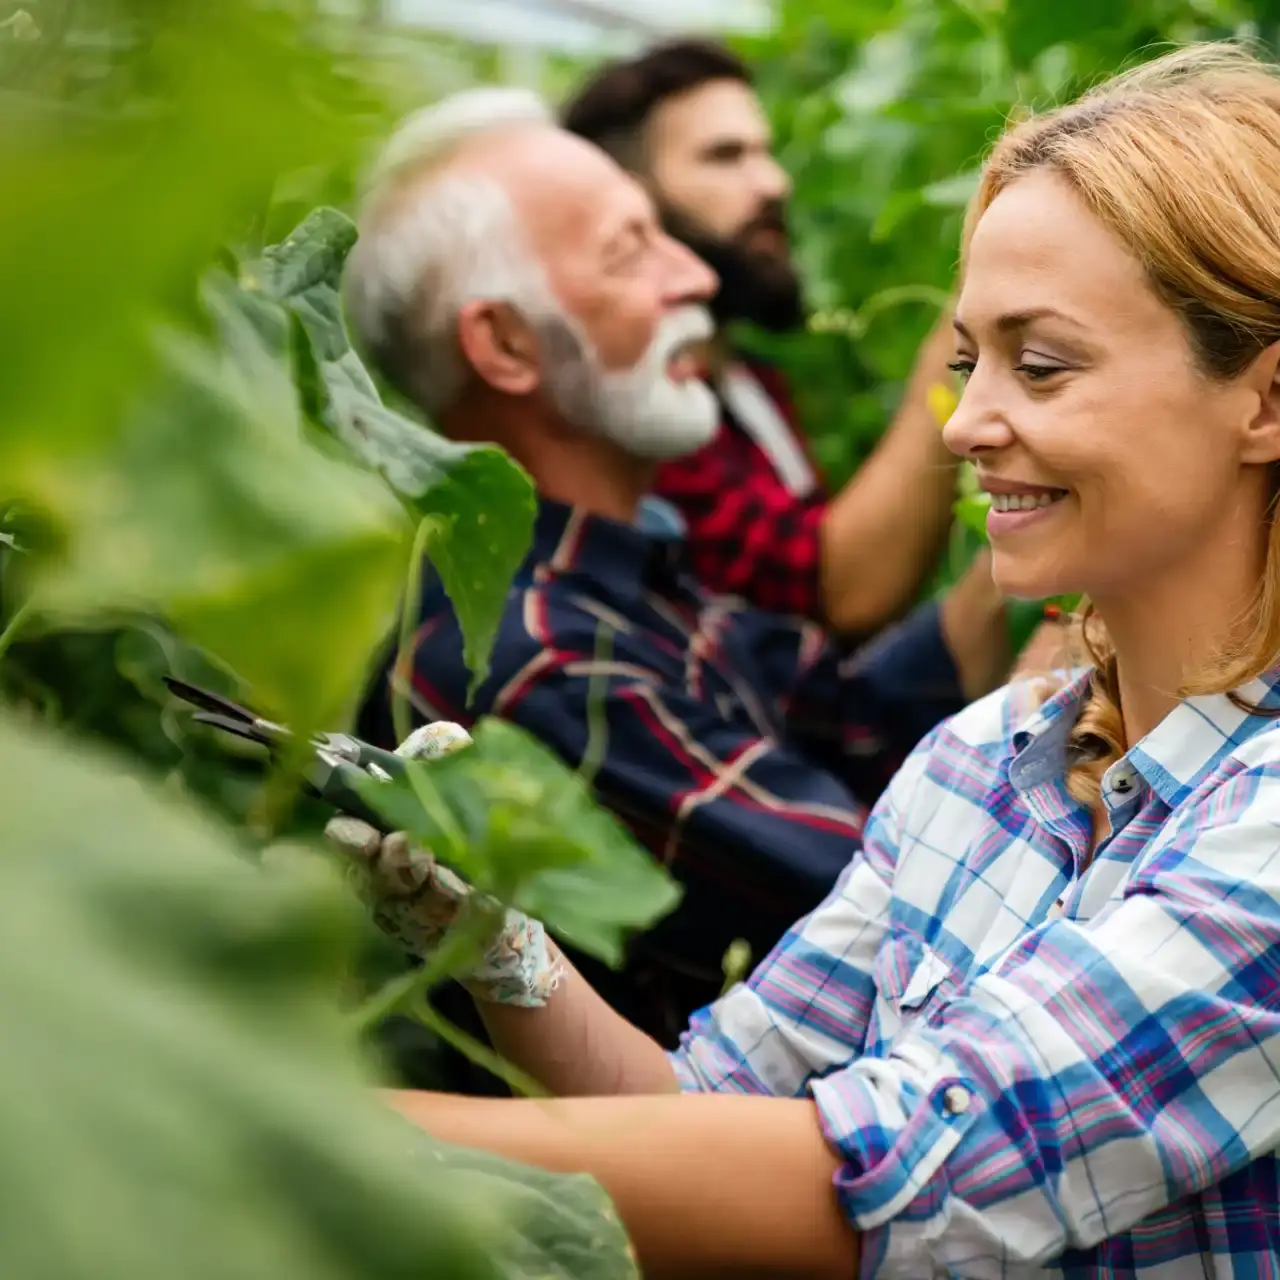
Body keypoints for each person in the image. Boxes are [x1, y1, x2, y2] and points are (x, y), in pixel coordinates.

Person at [335, 43, 1280, 1276]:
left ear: (1261, 401)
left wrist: (317, 1129)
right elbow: (700, 1102)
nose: (969, 425)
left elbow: (888, 1180)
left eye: (1038, 363)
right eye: (964, 363)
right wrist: (512, 953)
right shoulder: (973, 761)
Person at [342, 87, 1014, 1053]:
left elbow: (854, 713)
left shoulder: (622, 567)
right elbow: (899, 905)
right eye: (631, 251)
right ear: (503, 343)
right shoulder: (526, 661)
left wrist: (1065, 554)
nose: (696, 274)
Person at [561, 39, 962, 634]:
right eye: (725, 157)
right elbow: (837, 595)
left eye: (765, 153)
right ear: (627, 197)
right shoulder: (633, 416)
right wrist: (960, 343)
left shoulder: (748, 381)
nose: (774, 183)